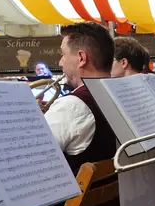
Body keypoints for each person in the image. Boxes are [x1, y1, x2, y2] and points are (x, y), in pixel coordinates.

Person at [45, 22, 117, 174]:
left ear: (81, 58)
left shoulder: (71, 105)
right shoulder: (122, 93)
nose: (60, 62)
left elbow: (35, 159)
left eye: (63, 54)